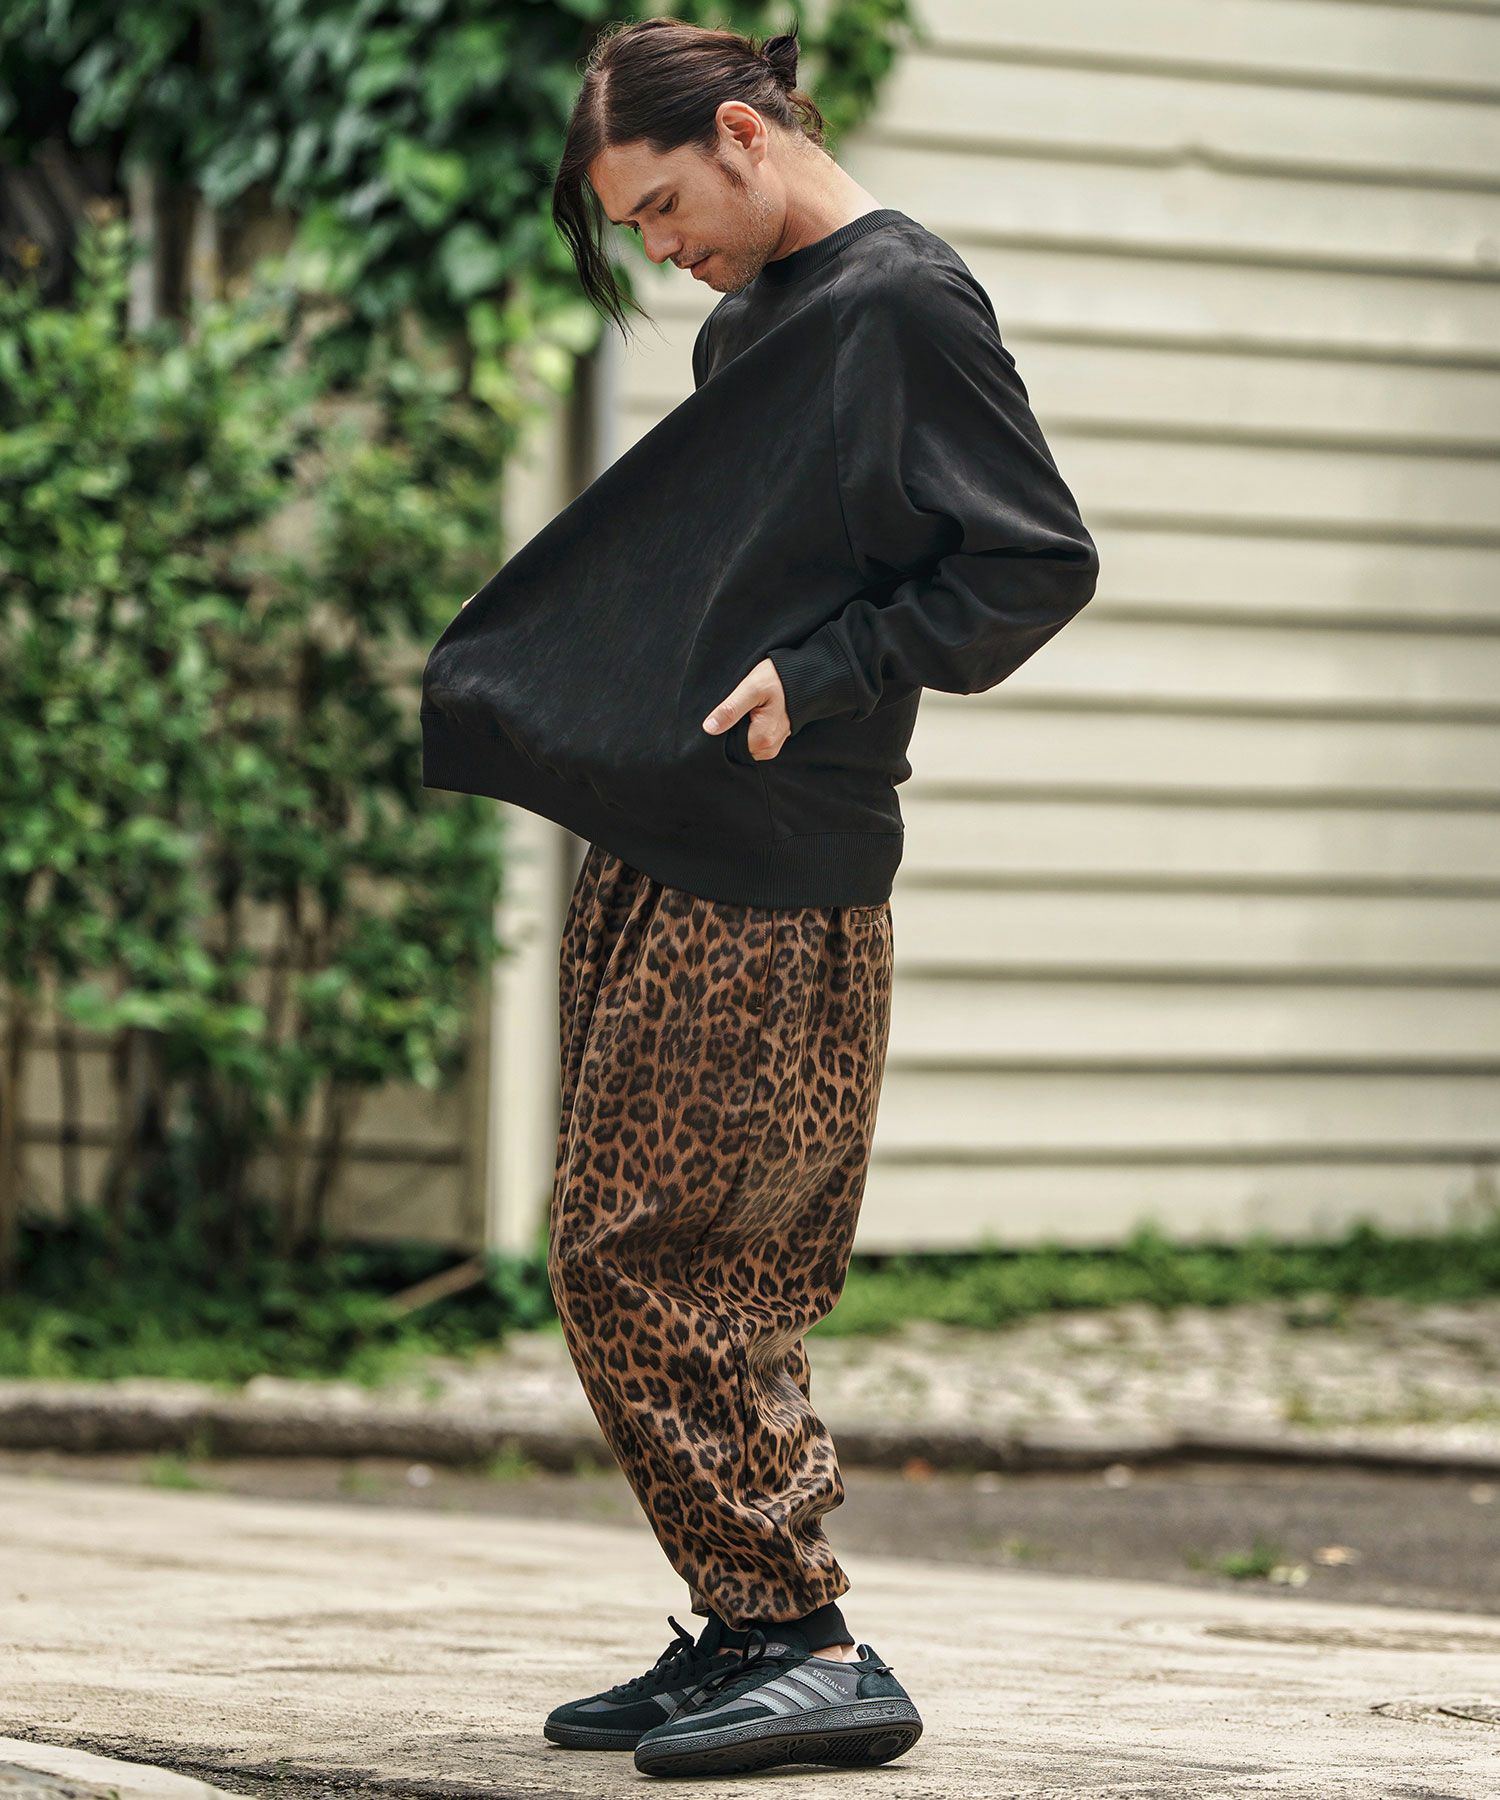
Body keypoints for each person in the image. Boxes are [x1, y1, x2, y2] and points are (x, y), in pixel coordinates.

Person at [421, 14, 1099, 1781]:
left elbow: (1033, 559)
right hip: (669, 834)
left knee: (641, 1252)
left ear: (742, 131)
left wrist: (835, 668)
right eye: (631, 228)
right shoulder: (757, 321)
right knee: (691, 1256)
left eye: (661, 205)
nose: (658, 249)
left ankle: (811, 1642)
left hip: (780, 862)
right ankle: (744, 1626)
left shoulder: (902, 303)